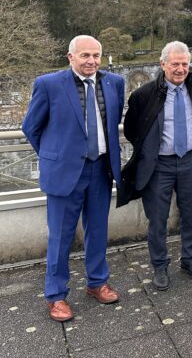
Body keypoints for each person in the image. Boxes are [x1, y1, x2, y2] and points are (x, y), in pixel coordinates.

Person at [22, 35, 124, 322]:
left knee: (98, 231)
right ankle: (56, 296)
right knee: (60, 236)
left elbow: (111, 123)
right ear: (71, 57)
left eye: (96, 55)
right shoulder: (49, 84)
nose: (91, 61)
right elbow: (31, 127)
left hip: (101, 169)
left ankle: (97, 282)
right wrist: (54, 156)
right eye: (85, 56)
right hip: (65, 173)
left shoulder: (114, 83)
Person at [122, 41, 192, 290]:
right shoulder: (143, 95)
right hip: (159, 165)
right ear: (163, 64)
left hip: (191, 162)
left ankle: (189, 259)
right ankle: (160, 266)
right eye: (175, 64)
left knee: (191, 215)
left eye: (185, 64)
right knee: (158, 219)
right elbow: (132, 129)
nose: (180, 68)